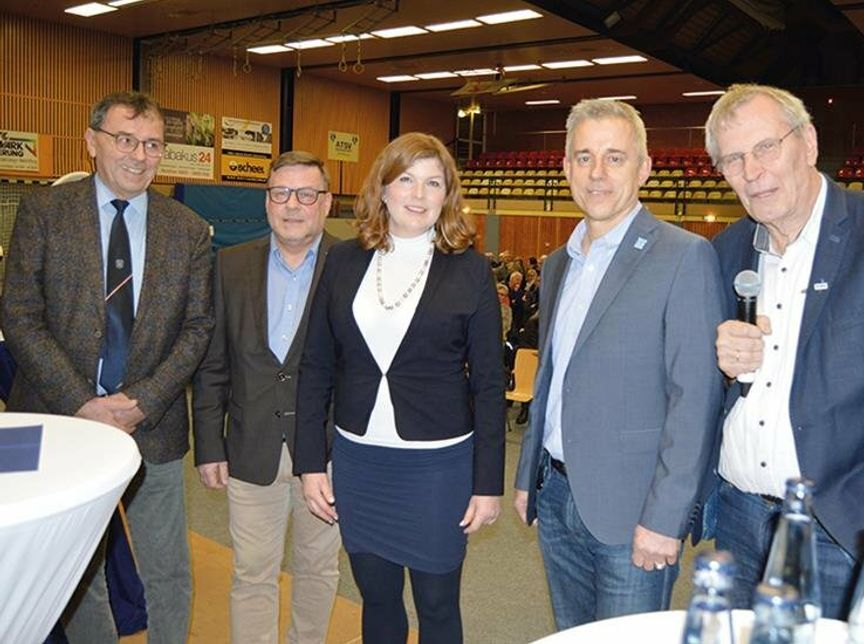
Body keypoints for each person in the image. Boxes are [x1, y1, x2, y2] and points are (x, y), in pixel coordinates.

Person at [704, 83, 864, 619]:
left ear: (809, 142)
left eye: (765, 147)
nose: (751, 171)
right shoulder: (724, 250)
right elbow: (705, 392)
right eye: (732, 159)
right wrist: (721, 368)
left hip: (842, 523)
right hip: (737, 515)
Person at [1, 90, 214, 642]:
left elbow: (197, 329)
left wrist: (141, 400)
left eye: (152, 144)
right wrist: (83, 403)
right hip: (61, 420)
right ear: (92, 141)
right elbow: (20, 315)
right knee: (79, 571)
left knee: (168, 569)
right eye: (126, 139)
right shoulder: (45, 212)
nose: (139, 155)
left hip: (154, 424)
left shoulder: (187, 229)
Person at [512, 98, 724, 630]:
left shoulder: (684, 256)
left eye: (614, 157)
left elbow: (694, 399)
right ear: (565, 168)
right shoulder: (560, 262)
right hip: (556, 496)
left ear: (645, 168)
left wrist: (664, 518)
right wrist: (527, 473)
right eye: (583, 158)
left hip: (634, 514)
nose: (597, 173)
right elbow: (553, 376)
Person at [294, 132, 505, 644]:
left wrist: (487, 482)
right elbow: (316, 365)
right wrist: (308, 462)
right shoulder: (342, 261)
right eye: (406, 178)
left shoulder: (472, 270)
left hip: (437, 466)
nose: (418, 192)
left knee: (436, 606)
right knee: (378, 600)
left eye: (433, 182)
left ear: (447, 195)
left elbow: (490, 384)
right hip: (361, 463)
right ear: (383, 188)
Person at [191, 151, 341, 642]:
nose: (292, 205)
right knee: (251, 573)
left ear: (326, 202)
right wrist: (210, 443)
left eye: (306, 194)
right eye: (281, 193)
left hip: (328, 454)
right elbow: (214, 362)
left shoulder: (355, 263)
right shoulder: (231, 266)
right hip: (250, 448)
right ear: (267, 201)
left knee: (318, 571)